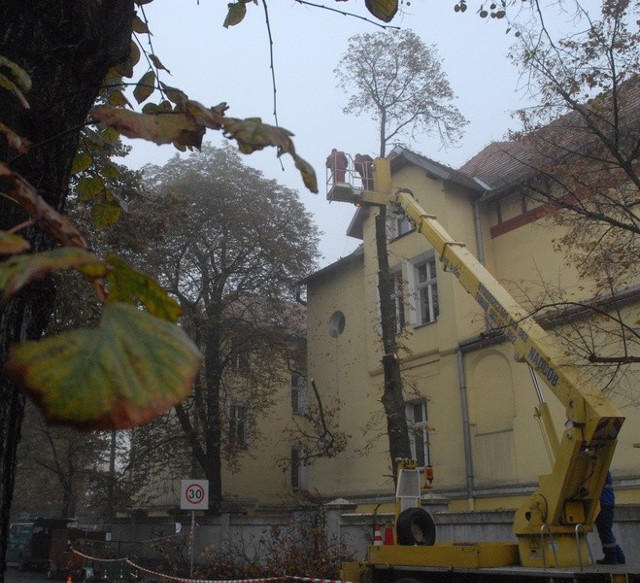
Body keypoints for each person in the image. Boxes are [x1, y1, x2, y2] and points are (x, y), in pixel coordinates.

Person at [595, 471, 626, 564]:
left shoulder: (601, 472)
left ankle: (611, 556)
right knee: (607, 530)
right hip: (607, 504)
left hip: (603, 504)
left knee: (605, 531)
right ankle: (620, 556)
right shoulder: (604, 472)